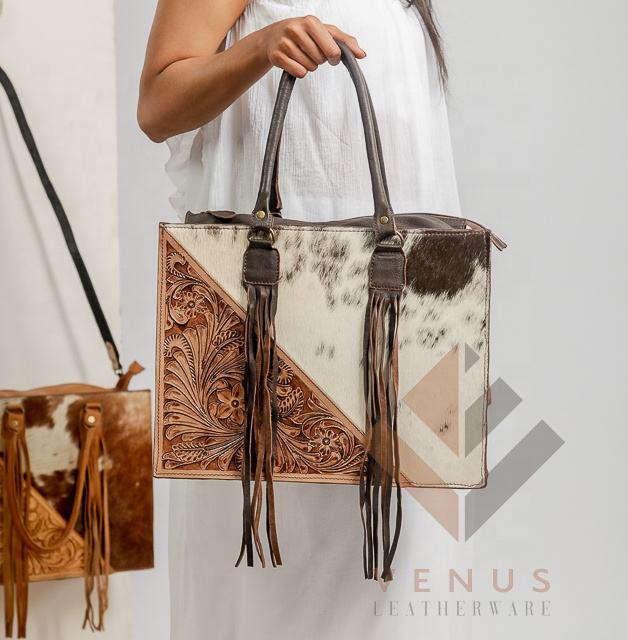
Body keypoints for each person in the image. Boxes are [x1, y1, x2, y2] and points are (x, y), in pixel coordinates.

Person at [139, 1, 462, 638]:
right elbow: (158, 105)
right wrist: (261, 47)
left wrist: (450, 322)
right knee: (268, 598)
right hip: (261, 339)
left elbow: (416, 162)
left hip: (399, 337)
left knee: (403, 596)